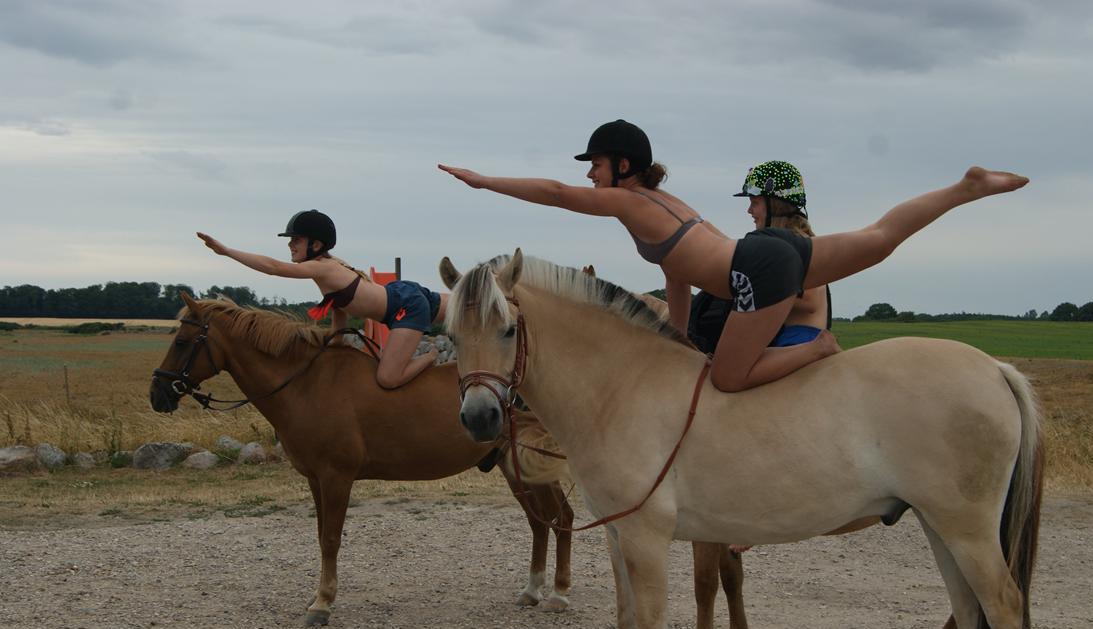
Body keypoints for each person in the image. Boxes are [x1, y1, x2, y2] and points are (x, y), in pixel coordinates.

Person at [439, 119, 1028, 392]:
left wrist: (485, 181)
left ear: (622, 165)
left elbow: (556, 194)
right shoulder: (661, 204)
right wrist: (676, 340)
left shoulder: (628, 202)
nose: (589, 176)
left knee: (727, 378)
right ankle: (965, 187)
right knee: (878, 238)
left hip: (752, 269)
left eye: (595, 163)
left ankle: (821, 347)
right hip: (766, 254)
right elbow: (677, 280)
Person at [196, 209, 447, 389]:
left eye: (296, 240)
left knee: (388, 378)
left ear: (315, 244)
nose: (291, 245)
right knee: (474, 304)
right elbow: (340, 309)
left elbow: (274, 267)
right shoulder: (327, 268)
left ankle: (431, 356)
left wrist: (227, 251)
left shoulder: (322, 268)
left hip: (405, 307)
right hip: (403, 295)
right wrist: (334, 344)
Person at [690, 160, 831, 355]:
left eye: (754, 202)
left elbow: (810, 301)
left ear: (775, 205)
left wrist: (749, 289)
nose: (749, 211)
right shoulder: (787, 244)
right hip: (785, 338)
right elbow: (740, 256)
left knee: (728, 373)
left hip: (797, 341)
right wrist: (701, 226)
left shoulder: (799, 244)